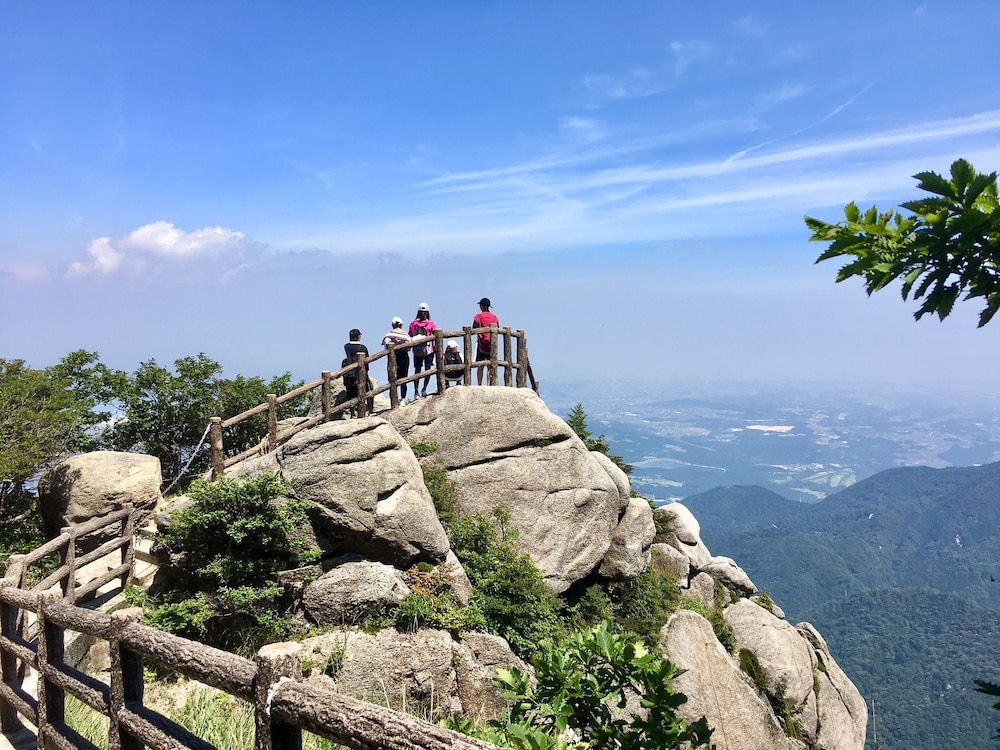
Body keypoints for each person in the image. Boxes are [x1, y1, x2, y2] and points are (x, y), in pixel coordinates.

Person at [408, 302, 437, 398]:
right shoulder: (431, 324)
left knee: (417, 370)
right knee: (427, 369)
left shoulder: (413, 324)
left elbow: (410, 335)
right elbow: (436, 336)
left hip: (417, 350)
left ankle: (416, 391)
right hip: (429, 350)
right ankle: (423, 389)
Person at [340, 328, 371, 416]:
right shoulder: (363, 348)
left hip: (349, 372)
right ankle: (365, 411)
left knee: (350, 392)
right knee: (364, 391)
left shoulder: (346, 346)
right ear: (358, 337)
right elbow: (367, 360)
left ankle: (352, 412)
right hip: (359, 372)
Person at [382, 317, 411, 402]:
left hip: (392, 358)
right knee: (404, 378)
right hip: (403, 357)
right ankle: (403, 399)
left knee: (392, 379)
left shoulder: (388, 335)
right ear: (401, 325)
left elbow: (386, 347)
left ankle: (393, 400)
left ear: (392, 325)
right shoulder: (405, 335)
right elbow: (409, 346)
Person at [473, 297, 500, 385]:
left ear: (482, 306)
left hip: (481, 344)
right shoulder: (495, 317)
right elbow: (498, 329)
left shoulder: (478, 317)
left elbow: (474, 329)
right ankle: (489, 384)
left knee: (480, 365)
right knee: (490, 366)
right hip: (492, 345)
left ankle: (480, 384)